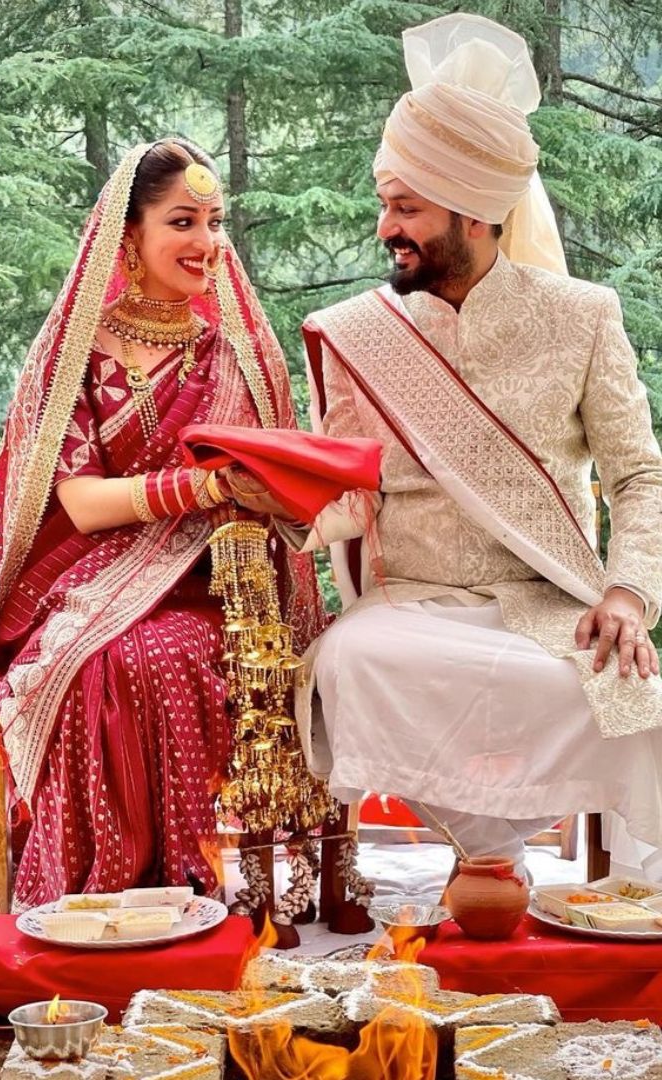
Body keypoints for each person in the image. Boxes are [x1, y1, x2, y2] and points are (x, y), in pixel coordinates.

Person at [275, 14, 662, 876]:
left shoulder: (583, 316)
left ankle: (585, 901)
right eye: (385, 204)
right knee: (351, 661)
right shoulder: (355, 334)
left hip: (551, 602)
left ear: (477, 213)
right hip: (411, 607)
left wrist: (629, 593)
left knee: (632, 698)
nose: (386, 227)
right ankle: (492, 868)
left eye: (407, 207)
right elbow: (351, 492)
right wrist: (287, 503)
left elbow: (640, 476)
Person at [0, 138, 322, 910]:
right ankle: (91, 902)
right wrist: (207, 485)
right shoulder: (75, 356)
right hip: (88, 583)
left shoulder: (238, 359)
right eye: (182, 222)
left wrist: (277, 493)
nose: (207, 242)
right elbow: (83, 504)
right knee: (109, 662)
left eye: (215, 222)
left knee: (158, 656)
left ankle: (188, 896)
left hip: (213, 589)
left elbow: (282, 495)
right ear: (128, 239)